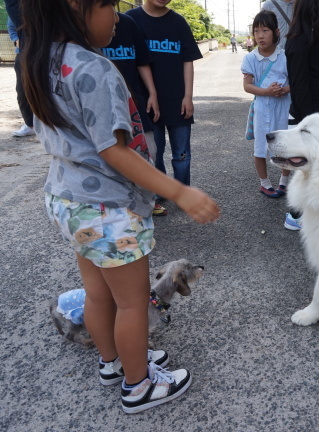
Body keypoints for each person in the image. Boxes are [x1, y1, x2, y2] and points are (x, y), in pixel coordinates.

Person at [20, 0, 220, 413]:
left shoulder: (41, 60)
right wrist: (179, 191)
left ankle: (112, 363)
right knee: (131, 303)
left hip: (68, 200)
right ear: (77, 7)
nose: (118, 17)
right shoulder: (94, 67)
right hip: (108, 208)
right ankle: (138, 385)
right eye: (109, 4)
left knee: (98, 294)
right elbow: (115, 150)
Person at [126, 0, 202, 190]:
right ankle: (159, 192)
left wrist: (188, 96)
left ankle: (183, 192)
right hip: (148, 104)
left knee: (182, 154)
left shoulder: (178, 22)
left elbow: (187, 61)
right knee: (153, 153)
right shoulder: (131, 20)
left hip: (178, 101)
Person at [283, 0, 319, 231]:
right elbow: (299, 89)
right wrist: (310, 130)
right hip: (307, 121)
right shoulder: (298, 41)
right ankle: (295, 214)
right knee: (306, 169)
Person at [102, 12, 165, 215]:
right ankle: (122, 204)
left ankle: (148, 199)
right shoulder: (81, 39)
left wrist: (152, 93)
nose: (115, 18)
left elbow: (142, 61)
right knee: (112, 154)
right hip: (105, 108)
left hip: (135, 102)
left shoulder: (128, 23)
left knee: (149, 150)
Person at [242, 10, 292, 198]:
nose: (260, 36)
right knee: (261, 147)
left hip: (283, 107)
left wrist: (284, 90)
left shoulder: (285, 56)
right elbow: (247, 86)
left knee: (284, 144)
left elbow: (295, 82)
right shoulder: (250, 58)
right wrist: (266, 92)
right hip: (262, 108)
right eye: (256, 31)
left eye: (265, 30)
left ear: (276, 32)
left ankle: (284, 181)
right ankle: (264, 183)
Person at [7, 17, 35, 138]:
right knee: (22, 90)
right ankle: (30, 125)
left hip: (44, 53)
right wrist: (17, 40)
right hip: (22, 53)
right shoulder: (16, 8)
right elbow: (11, 26)